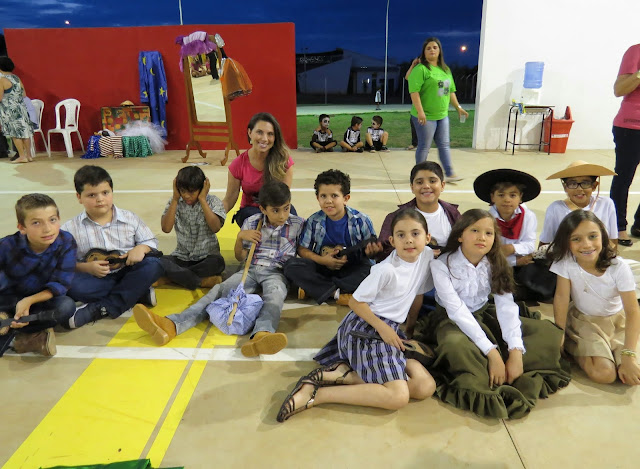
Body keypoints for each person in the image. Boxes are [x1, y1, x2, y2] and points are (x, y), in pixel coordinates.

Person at [276, 209, 436, 422]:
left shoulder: (426, 256)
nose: (409, 240)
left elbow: (417, 294)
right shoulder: (386, 270)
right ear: (391, 241)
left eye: (415, 234)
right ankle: (316, 394)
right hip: (365, 328)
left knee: (425, 386)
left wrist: (409, 330)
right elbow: (355, 302)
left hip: (389, 330)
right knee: (398, 397)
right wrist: (384, 329)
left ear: (427, 237)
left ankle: (345, 374)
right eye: (401, 235)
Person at [414, 209, 570, 419]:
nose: (482, 237)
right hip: (452, 321)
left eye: (488, 233)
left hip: (484, 313)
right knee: (456, 346)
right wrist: (492, 353)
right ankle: (487, 368)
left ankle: (506, 364)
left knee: (546, 334)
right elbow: (457, 311)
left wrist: (515, 351)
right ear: (460, 235)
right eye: (475, 230)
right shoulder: (441, 265)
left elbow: (506, 306)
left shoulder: (496, 262)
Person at [133, 181, 304, 357]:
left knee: (275, 296)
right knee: (217, 291)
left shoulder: (298, 224)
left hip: (276, 272)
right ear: (263, 209)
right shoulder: (252, 222)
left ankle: (262, 335)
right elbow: (240, 257)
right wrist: (240, 238)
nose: (282, 215)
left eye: (286, 208)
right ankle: (172, 325)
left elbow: (303, 252)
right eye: (275, 210)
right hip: (251, 269)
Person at [62, 165, 163, 328]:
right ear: (79, 197)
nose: (100, 199)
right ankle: (136, 292)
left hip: (128, 271)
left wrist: (141, 248)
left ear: (112, 192)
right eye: (92, 195)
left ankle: (102, 308)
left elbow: (151, 241)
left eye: (105, 193)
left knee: (154, 265)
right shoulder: (70, 229)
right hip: (95, 279)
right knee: (71, 284)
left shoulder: (130, 218)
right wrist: (86, 268)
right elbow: (63, 262)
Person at [548, 210, 640, 385]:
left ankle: (610, 352)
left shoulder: (618, 267)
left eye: (592, 236)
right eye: (576, 239)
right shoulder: (565, 262)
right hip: (585, 321)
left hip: (617, 323)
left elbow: (633, 311)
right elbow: (561, 297)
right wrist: (559, 334)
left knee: (630, 373)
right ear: (566, 242)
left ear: (603, 237)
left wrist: (629, 355)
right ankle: (573, 344)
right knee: (605, 374)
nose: (586, 245)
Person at [284, 169, 381, 305]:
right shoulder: (313, 221)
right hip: (323, 266)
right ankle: (339, 293)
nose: (328, 201)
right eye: (323, 196)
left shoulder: (361, 220)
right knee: (291, 266)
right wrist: (322, 260)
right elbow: (302, 249)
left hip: (351, 268)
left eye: (334, 196)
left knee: (372, 271)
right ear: (317, 198)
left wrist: (372, 252)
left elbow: (372, 253)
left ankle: (318, 288)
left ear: (346, 198)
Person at [0, 194, 77, 357]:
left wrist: (29, 301)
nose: (47, 229)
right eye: (36, 223)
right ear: (22, 228)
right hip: (6, 299)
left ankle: (12, 329)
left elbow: (61, 283)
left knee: (66, 306)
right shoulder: (7, 246)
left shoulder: (66, 241)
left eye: (52, 220)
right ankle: (23, 335)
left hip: (37, 301)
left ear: (59, 220)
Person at [408, 38, 467, 182]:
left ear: (440, 50)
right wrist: (420, 112)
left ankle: (450, 173)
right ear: (424, 52)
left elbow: (450, 91)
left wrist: (458, 108)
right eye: (428, 48)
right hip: (426, 116)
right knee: (424, 146)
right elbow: (414, 92)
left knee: (444, 144)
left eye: (435, 47)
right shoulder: (421, 69)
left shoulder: (445, 70)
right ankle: (418, 175)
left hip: (442, 116)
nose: (432, 50)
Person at [158, 166, 226, 290]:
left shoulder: (213, 202)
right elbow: (166, 228)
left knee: (218, 263)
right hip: (181, 257)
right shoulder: (175, 202)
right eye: (183, 191)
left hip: (206, 257)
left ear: (202, 188)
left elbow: (216, 227)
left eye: (192, 192)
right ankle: (200, 281)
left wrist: (202, 200)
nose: (186, 196)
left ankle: (174, 277)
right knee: (156, 261)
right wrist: (175, 199)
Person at [222, 112, 295, 227]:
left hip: (276, 207)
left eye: (270, 134)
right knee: (255, 221)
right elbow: (229, 200)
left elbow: (283, 198)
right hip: (250, 210)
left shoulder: (284, 161)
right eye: (259, 132)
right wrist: (213, 216)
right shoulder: (238, 164)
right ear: (250, 133)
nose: (264, 139)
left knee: (292, 219)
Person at [377, 161, 460, 262]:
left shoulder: (454, 215)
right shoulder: (395, 218)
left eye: (432, 181)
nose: (426, 186)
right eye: (419, 182)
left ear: (442, 185)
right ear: (412, 187)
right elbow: (384, 254)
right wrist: (420, 254)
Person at [539, 161, 618, 246]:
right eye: (573, 184)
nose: (579, 189)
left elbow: (613, 239)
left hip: (597, 253)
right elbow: (545, 241)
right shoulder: (555, 208)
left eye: (585, 183)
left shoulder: (606, 204)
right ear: (565, 187)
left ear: (594, 186)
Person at [473, 169, 539, 267]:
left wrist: (511, 248)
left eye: (513, 195)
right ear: (492, 197)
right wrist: (515, 261)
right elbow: (486, 252)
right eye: (501, 195)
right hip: (494, 265)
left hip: (523, 263)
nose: (507, 200)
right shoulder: (486, 220)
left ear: (520, 197)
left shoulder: (528, 217)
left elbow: (530, 245)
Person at [610, 45, 640, 246]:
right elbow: (619, 90)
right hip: (632, 127)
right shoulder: (636, 52)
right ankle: (618, 226)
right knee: (623, 178)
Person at [0, 56, 33, 164]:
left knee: (15, 133)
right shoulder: (16, 78)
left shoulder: (2, 80)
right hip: (21, 108)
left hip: (10, 110)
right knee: (25, 132)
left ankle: (22, 156)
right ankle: (29, 155)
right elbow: (24, 94)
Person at [405, 58, 420, 150]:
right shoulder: (416, 72)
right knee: (414, 126)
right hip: (415, 107)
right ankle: (415, 144)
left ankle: (424, 146)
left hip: (426, 107)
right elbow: (407, 77)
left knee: (424, 128)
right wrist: (413, 65)